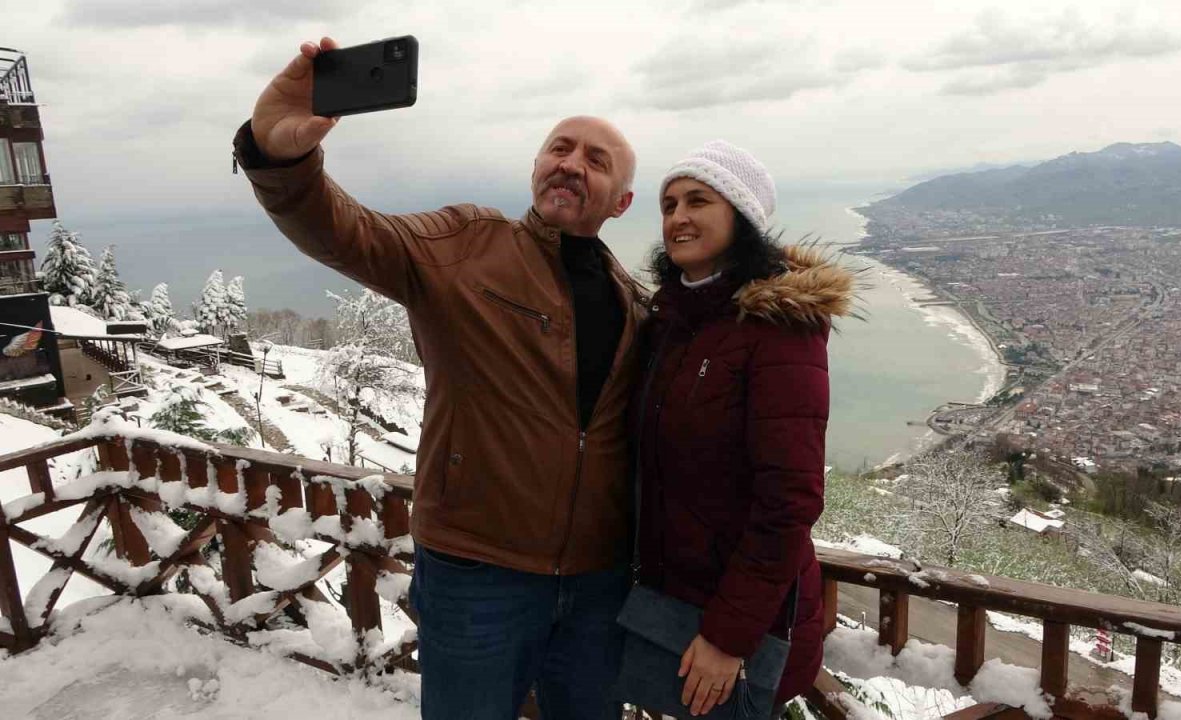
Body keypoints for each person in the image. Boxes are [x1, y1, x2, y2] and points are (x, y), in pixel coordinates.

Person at [233, 38, 646, 720]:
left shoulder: (634, 302)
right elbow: (347, 233)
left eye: (595, 160)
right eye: (559, 148)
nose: (570, 163)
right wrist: (281, 157)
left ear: (622, 201)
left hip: (598, 582)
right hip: (479, 573)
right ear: (538, 166)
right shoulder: (466, 244)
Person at [632, 141, 854, 717]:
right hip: (673, 604)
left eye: (698, 200)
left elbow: (789, 499)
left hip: (740, 630)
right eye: (669, 203)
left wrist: (728, 636)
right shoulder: (676, 320)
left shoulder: (779, 330)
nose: (678, 217)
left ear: (742, 215)